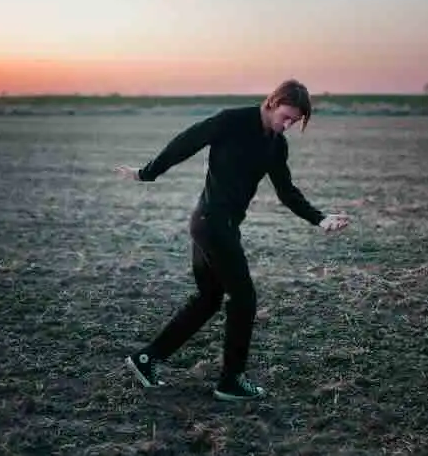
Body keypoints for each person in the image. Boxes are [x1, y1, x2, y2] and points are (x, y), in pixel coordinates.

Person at [115, 79, 349, 401]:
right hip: (211, 223)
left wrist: (320, 219)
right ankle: (231, 381)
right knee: (244, 298)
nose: (288, 125)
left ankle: (147, 359)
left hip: (217, 225)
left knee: (210, 298)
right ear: (272, 102)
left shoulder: (276, 145)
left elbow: (287, 192)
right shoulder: (232, 121)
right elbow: (186, 142)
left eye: (294, 121)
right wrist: (147, 173)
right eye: (286, 116)